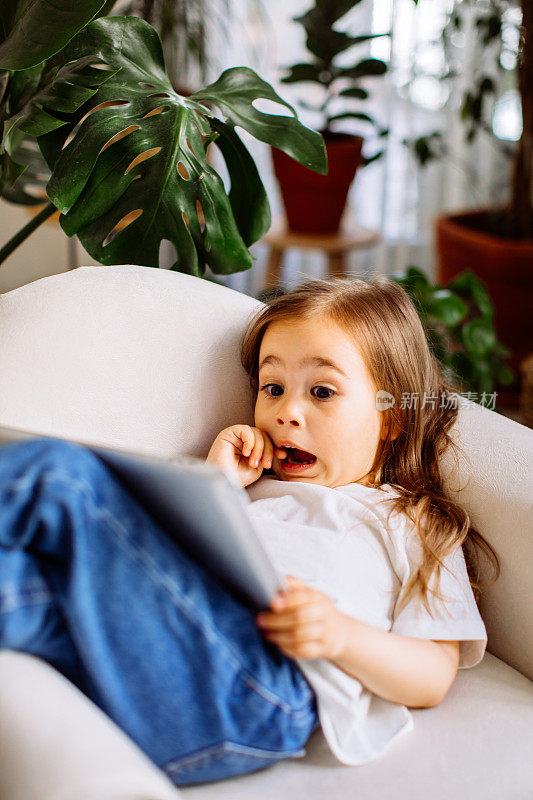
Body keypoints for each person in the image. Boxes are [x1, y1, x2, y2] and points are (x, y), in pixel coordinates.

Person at [0, 277, 499, 786]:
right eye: (272, 388)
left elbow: (434, 673)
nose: (287, 413)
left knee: (63, 474)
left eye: (322, 392)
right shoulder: (251, 489)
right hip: (167, 670)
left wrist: (339, 636)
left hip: (260, 687)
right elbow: (164, 575)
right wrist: (215, 485)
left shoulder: (412, 519)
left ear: (391, 416)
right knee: (20, 583)